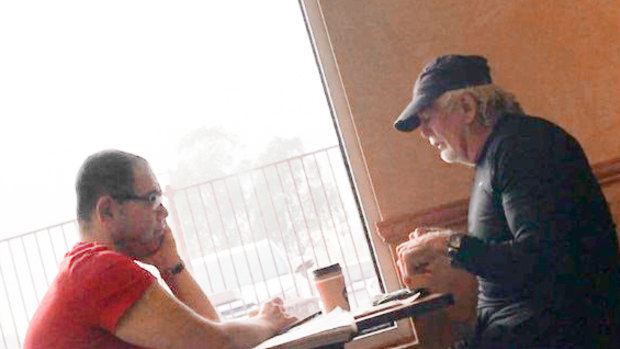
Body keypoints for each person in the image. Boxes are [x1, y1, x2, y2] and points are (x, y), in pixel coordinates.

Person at [392, 54, 620, 348]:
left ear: (467, 107)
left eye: (427, 118)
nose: (423, 132)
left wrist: (449, 244)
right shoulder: (498, 153)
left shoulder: (525, 148)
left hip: (564, 334)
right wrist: (445, 249)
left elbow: (540, 261)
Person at [24, 150, 296, 349]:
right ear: (107, 210)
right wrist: (267, 322)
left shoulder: (81, 269)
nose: (163, 211)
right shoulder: (98, 270)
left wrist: (170, 265)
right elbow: (218, 343)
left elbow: (208, 330)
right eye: (152, 198)